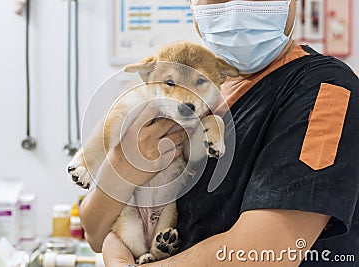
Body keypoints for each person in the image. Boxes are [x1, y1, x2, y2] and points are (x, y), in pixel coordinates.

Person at [79, 0, 359, 266]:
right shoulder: (187, 99)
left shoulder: (326, 90)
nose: (236, 7)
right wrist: (124, 166)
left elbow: (269, 254)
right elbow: (94, 230)